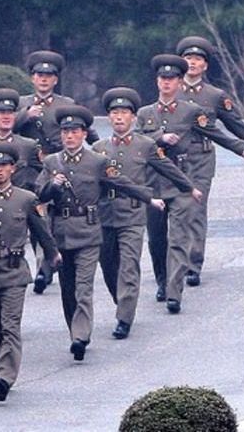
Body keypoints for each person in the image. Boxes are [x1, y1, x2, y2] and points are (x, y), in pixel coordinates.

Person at [35, 104, 164, 360]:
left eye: (75, 132)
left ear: (84, 134)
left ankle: (81, 336)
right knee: (68, 288)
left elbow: (122, 183)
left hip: (89, 232)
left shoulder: (98, 161)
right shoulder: (51, 162)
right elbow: (40, 193)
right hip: (61, 232)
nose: (69, 136)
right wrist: (53, 185)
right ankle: (74, 330)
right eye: (65, 132)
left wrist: (150, 199)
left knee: (84, 287)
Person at [137, 54, 244, 313]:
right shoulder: (145, 113)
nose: (167, 83)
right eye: (162, 79)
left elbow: (215, 133)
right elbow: (135, 141)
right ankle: (162, 281)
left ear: (180, 82)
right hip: (153, 183)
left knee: (179, 237)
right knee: (157, 239)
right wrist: (159, 136)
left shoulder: (192, 111)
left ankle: (174, 291)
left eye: (172, 79)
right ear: (157, 82)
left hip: (182, 181)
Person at [92, 87, 201, 339]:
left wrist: (189, 187)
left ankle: (124, 318)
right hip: (105, 214)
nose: (119, 118)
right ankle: (121, 300)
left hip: (132, 215)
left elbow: (167, 169)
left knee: (129, 266)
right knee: (109, 266)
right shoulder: (98, 148)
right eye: (114, 113)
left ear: (133, 118)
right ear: (109, 118)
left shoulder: (146, 145)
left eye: (124, 113)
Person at [0, 142, 60, 402]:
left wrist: (52, 254)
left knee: (10, 326)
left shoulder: (26, 199)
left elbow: (41, 230)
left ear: (13, 169)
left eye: (4, 166)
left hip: (15, 272)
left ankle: (5, 375)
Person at [176, 36, 244, 287]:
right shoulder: (170, 90)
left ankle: (193, 263)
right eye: (187, 59)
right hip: (173, 159)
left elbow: (234, 122)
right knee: (174, 212)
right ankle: (174, 262)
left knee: (195, 210)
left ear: (205, 66)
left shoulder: (215, 95)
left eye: (197, 59)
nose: (192, 63)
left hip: (201, 159)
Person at [14, 50, 100, 294]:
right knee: (34, 219)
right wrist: (25, 116)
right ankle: (44, 263)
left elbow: (89, 134)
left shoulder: (67, 105)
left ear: (55, 80)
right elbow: (3, 130)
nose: (43, 79)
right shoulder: (21, 104)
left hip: (59, 169)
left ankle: (47, 264)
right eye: (39, 75)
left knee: (52, 217)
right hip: (28, 172)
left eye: (48, 75)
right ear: (32, 78)